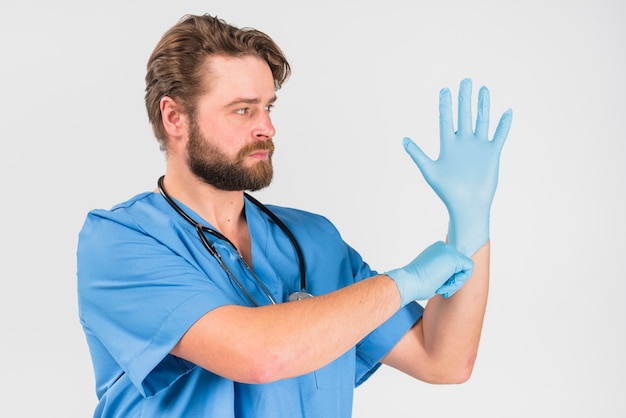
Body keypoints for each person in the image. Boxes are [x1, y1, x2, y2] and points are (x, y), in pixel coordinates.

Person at [77, 13, 512, 418]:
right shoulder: (119, 242)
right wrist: (403, 284)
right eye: (243, 109)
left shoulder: (313, 241)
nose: (267, 126)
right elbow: (260, 354)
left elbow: (443, 359)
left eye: (269, 107)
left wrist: (471, 222)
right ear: (174, 117)